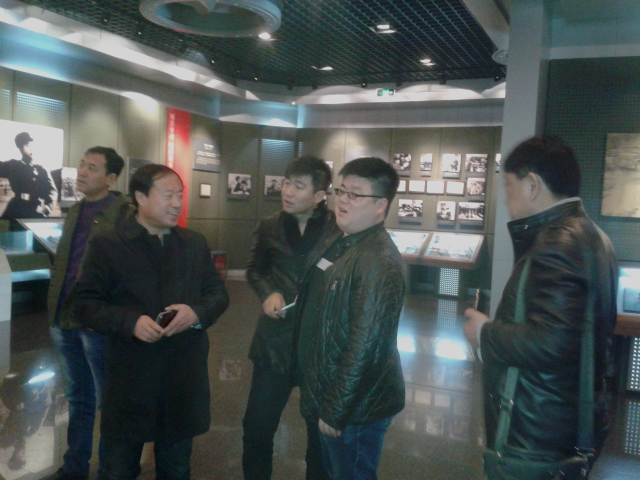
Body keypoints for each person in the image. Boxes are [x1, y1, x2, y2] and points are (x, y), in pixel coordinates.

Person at [463, 135, 617, 471]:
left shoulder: (557, 243)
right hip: (566, 417)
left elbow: (553, 342)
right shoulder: (594, 236)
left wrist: (485, 333)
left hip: (537, 429)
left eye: (508, 187)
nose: (506, 200)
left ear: (532, 185)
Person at [74, 164, 229, 479]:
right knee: (118, 467)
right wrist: (130, 322)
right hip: (131, 377)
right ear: (140, 197)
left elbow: (217, 293)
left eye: (180, 195)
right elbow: (84, 304)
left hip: (182, 376)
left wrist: (196, 313)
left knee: (176, 468)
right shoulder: (109, 245)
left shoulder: (194, 243)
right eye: (168, 195)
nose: (177, 203)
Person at [298, 157, 406, 479]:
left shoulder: (378, 261)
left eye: (355, 194)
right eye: (341, 190)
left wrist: (336, 409)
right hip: (333, 390)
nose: (343, 200)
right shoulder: (343, 239)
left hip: (356, 408)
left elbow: (366, 346)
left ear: (380, 205)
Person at [243, 156, 334, 480]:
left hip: (318, 345)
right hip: (275, 341)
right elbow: (255, 269)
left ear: (320, 195)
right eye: (286, 183)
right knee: (257, 427)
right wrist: (268, 293)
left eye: (298, 185)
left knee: (320, 436)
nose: (287, 191)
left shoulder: (338, 229)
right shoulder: (270, 225)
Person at [44, 147, 132, 480]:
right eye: (82, 165)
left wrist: (107, 316)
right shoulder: (76, 210)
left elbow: (127, 272)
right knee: (78, 397)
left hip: (96, 323)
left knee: (110, 402)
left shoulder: (124, 213)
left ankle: (112, 469)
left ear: (110, 178)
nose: (82, 171)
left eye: (92, 168)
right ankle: (74, 467)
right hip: (63, 317)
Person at [0, 132, 57, 221]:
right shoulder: (13, 165)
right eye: (27, 145)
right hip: (16, 206)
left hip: (34, 208)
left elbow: (52, 190)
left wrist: (47, 207)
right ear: (20, 148)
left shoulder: (41, 168)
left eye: (31, 145)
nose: (31, 148)